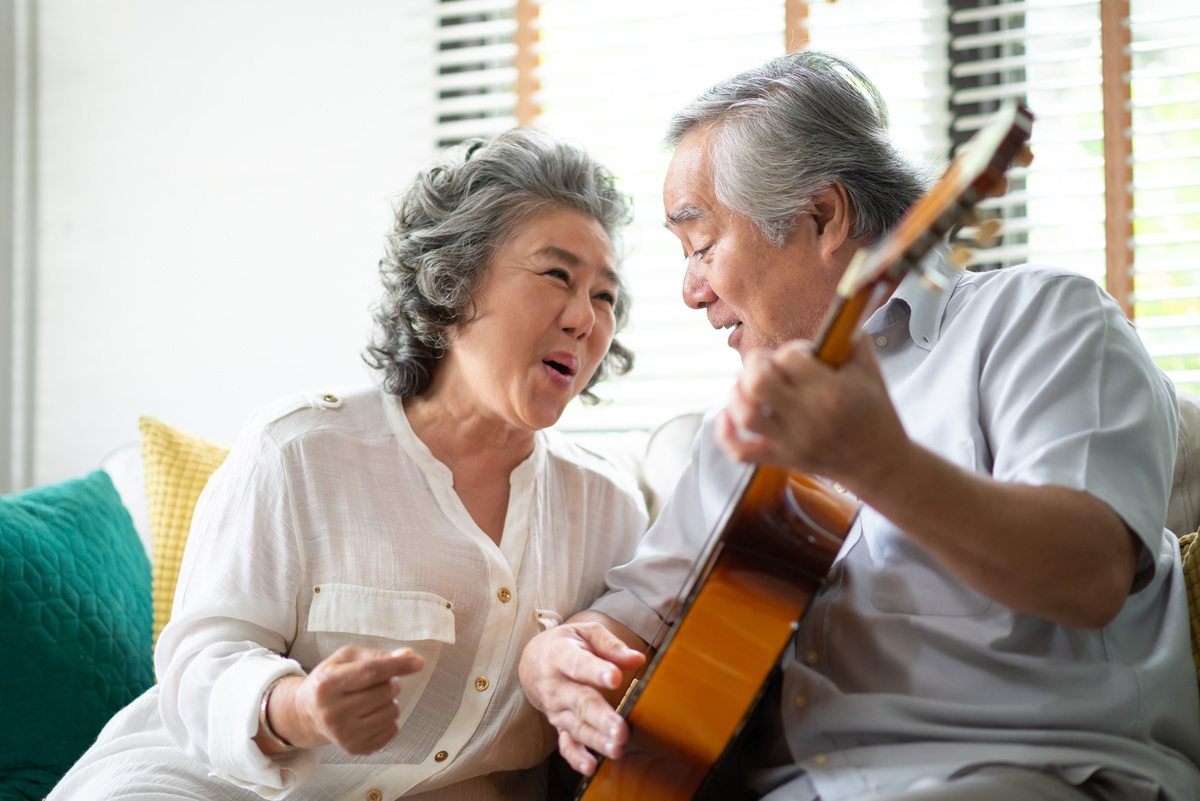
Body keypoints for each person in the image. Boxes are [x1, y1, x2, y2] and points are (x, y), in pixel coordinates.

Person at [518, 50, 1200, 801]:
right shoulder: (741, 424)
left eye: (704, 246)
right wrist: (555, 659)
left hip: (1031, 775)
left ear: (823, 216)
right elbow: (637, 615)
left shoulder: (1043, 321)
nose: (690, 292)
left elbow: (1089, 574)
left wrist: (883, 465)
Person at [49, 127, 649, 801]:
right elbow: (200, 663)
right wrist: (299, 706)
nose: (585, 318)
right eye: (557, 275)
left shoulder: (609, 508)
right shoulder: (300, 451)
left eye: (606, 296)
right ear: (454, 282)